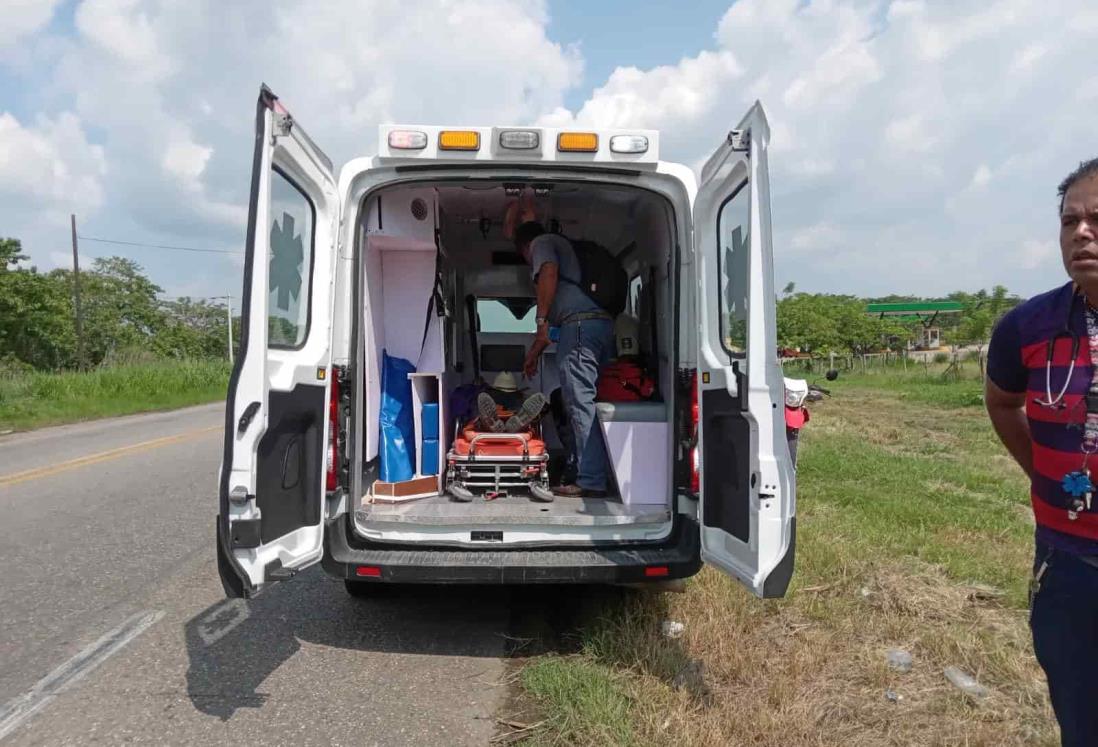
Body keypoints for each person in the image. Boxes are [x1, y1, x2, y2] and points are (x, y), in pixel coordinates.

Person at [985, 157, 1098, 746]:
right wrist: (1045, 477)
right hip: (1068, 564)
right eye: (1070, 220)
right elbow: (1003, 403)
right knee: (1080, 717)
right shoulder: (1027, 327)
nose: (1082, 232)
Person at [512, 220, 616, 498]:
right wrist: (535, 350)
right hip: (599, 327)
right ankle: (606, 472)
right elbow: (548, 335)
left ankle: (591, 479)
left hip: (579, 329)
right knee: (595, 401)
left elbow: (548, 271)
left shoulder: (541, 243)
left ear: (525, 248)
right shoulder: (567, 252)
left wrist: (541, 319)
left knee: (580, 404)